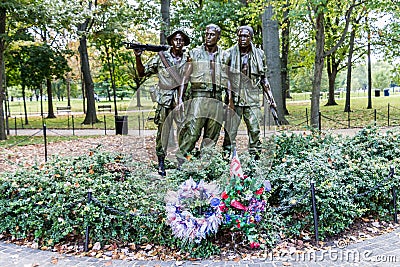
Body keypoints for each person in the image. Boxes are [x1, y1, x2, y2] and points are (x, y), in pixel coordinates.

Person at [135, 29, 190, 176]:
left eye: (182, 40)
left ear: (184, 43)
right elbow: (142, 73)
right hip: (164, 99)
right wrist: (138, 58)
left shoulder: (188, 59)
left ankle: (182, 161)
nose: (179, 42)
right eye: (176, 39)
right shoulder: (161, 57)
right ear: (171, 41)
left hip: (181, 99)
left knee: (184, 130)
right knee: (163, 132)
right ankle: (161, 162)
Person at [177, 24, 229, 165]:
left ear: (218, 37)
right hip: (199, 97)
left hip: (217, 98)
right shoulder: (194, 53)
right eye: (206, 34)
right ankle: (182, 161)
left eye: (212, 34)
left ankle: (205, 165)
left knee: (212, 135)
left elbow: (229, 81)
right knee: (193, 132)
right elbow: (185, 78)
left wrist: (229, 102)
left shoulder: (225, 55)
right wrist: (180, 98)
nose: (208, 37)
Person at [223, 25, 277, 159]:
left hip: (252, 96)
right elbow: (225, 78)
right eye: (240, 35)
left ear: (251, 38)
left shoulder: (259, 54)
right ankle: (226, 159)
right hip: (234, 96)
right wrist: (230, 101)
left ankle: (255, 158)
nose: (242, 38)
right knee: (230, 130)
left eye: (246, 36)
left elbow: (263, 78)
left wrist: (271, 99)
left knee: (254, 130)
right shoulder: (229, 53)